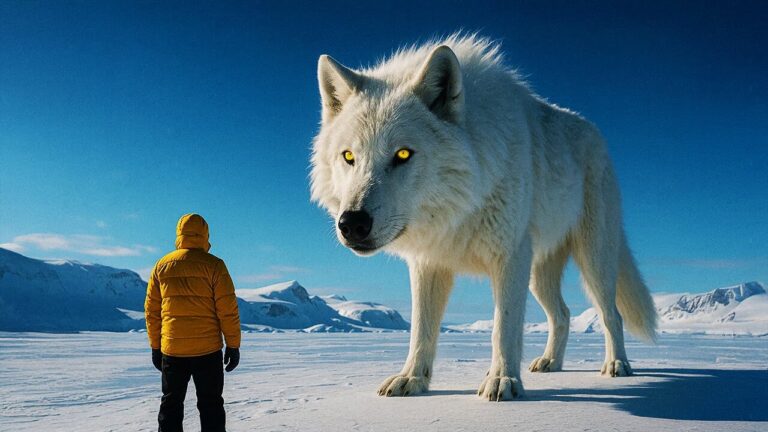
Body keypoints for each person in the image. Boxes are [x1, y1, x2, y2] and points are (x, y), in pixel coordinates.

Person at [145, 213, 241, 432]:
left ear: (179, 234)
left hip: (173, 351)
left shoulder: (162, 266)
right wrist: (233, 345)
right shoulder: (215, 265)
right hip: (207, 352)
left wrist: (155, 346)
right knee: (211, 406)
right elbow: (228, 310)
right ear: (205, 234)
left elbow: (152, 311)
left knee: (171, 405)